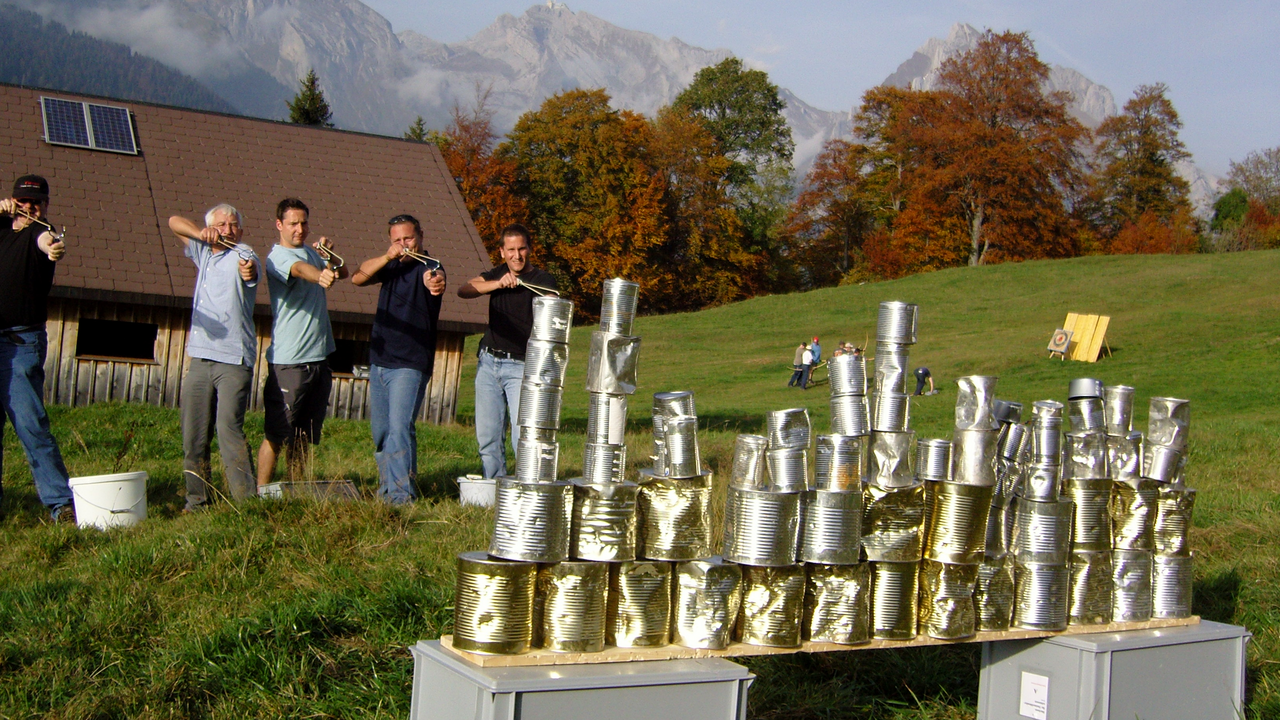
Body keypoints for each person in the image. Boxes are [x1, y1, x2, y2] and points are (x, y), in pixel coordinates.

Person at [168, 205, 260, 511]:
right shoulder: (204, 252)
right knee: (193, 435)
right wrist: (201, 234)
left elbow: (250, 270)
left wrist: (248, 271)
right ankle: (197, 501)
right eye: (221, 224)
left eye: (234, 225)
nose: (228, 229)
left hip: (234, 359)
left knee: (228, 430)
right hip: (200, 358)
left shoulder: (243, 252)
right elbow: (173, 221)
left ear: (241, 231)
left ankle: (246, 505)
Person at [350, 214, 446, 504]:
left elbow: (436, 281)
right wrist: (387, 256)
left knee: (399, 429)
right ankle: (387, 489)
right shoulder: (389, 265)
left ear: (421, 236)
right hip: (380, 360)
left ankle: (402, 498)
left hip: (410, 363)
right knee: (381, 432)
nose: (404, 245)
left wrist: (435, 283)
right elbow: (357, 278)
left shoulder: (430, 266)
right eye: (397, 240)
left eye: (408, 238)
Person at [257, 198, 347, 487]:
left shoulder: (312, 251)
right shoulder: (277, 257)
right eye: (293, 223)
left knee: (304, 435)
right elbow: (298, 270)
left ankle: (295, 489)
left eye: (304, 222)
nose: (300, 229)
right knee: (277, 432)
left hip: (319, 359)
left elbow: (343, 273)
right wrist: (319, 274)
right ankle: (261, 492)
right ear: (279, 224)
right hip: (289, 361)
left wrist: (330, 256)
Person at [457, 224, 558, 479]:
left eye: (522, 248)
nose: (517, 255)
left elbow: (554, 305)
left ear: (530, 249)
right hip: (489, 362)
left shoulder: (543, 280)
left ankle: (526, 486)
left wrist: (550, 301)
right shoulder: (497, 274)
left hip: (522, 366)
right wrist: (498, 284)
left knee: (522, 434)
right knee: (488, 434)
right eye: (510, 249)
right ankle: (495, 486)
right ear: (502, 252)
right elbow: (465, 290)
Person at [0, 175, 74, 521]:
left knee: (30, 424)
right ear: (13, 200)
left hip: (20, 340)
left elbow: (50, 243)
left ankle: (60, 504)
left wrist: (54, 247)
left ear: (46, 205)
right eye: (24, 201)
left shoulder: (40, 233)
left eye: (37, 202)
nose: (30, 207)